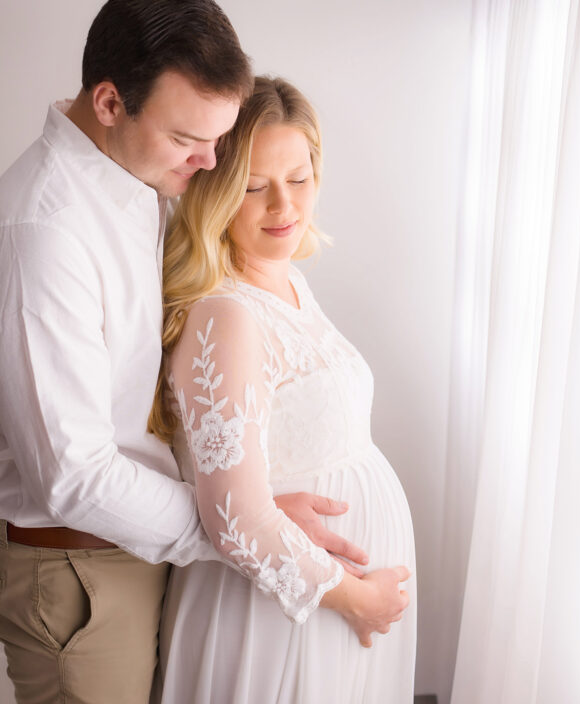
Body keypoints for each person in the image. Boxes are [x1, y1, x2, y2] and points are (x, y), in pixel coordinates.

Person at [0, 3, 368, 702]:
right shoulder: (40, 237)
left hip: (133, 547)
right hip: (75, 570)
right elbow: (73, 477)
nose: (209, 164)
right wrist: (238, 527)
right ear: (110, 102)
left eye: (217, 139)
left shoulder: (136, 178)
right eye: (187, 138)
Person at [150, 76, 417, 703]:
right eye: (254, 187)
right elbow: (234, 516)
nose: (284, 207)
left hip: (325, 606)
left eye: (298, 179)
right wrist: (356, 599)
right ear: (216, 191)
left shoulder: (288, 281)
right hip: (280, 612)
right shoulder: (226, 314)